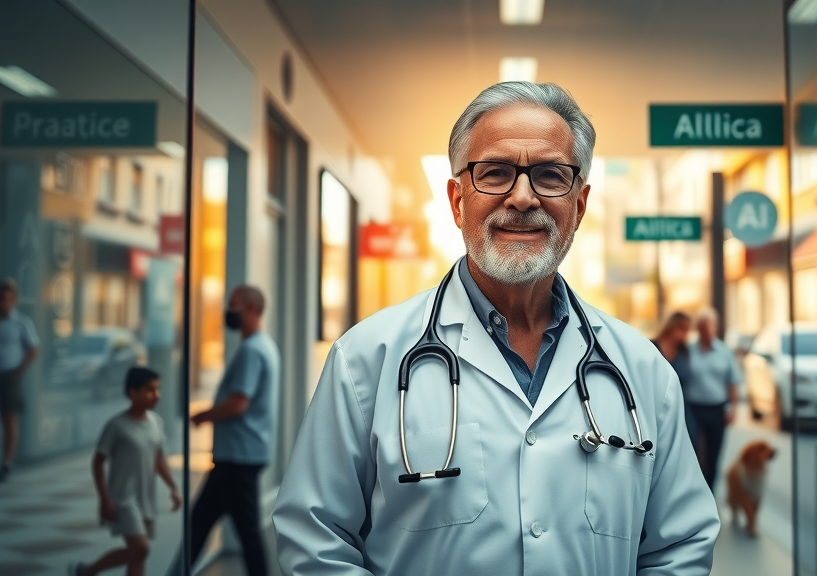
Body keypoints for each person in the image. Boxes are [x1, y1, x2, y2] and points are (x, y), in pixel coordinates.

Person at [273, 82, 719, 576]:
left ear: (580, 204)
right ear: (458, 199)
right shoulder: (365, 360)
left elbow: (680, 546)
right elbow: (314, 541)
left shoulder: (643, 370)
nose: (523, 197)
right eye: (496, 174)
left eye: (550, 176)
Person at [189, 285, 280, 576]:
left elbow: (239, 404)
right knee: (199, 524)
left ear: (251, 309)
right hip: (238, 455)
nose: (228, 311)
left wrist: (204, 415)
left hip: (238, 457)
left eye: (233, 305)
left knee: (244, 532)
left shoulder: (252, 350)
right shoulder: (261, 346)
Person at [69, 367, 181, 576]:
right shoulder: (116, 426)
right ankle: (88, 570)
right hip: (123, 499)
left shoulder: (156, 422)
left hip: (145, 498)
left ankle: (87, 571)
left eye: (158, 390)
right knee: (141, 548)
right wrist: (105, 498)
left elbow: (159, 460)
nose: (156, 395)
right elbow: (98, 462)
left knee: (136, 554)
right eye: (150, 390)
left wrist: (173, 488)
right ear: (133, 393)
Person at [685, 308, 742, 493]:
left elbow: (732, 382)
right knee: (696, 453)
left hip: (717, 409)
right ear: (699, 329)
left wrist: (733, 408)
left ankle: (710, 492)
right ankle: (695, 492)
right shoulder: (689, 351)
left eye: (711, 326)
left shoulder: (724, 352)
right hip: (694, 409)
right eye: (704, 326)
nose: (708, 330)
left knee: (714, 453)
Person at [0, 278, 39, 482]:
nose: (3, 302)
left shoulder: (21, 322)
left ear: (13, 299)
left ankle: (7, 462)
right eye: (1, 298)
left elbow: (33, 349)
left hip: (9, 375)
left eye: (7, 298)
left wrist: (19, 371)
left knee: (9, 419)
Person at [654, 311, 696, 446]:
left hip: (682, 407)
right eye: (682, 329)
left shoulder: (683, 350)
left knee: (689, 441)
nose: (685, 334)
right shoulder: (653, 346)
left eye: (687, 330)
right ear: (671, 327)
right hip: (657, 406)